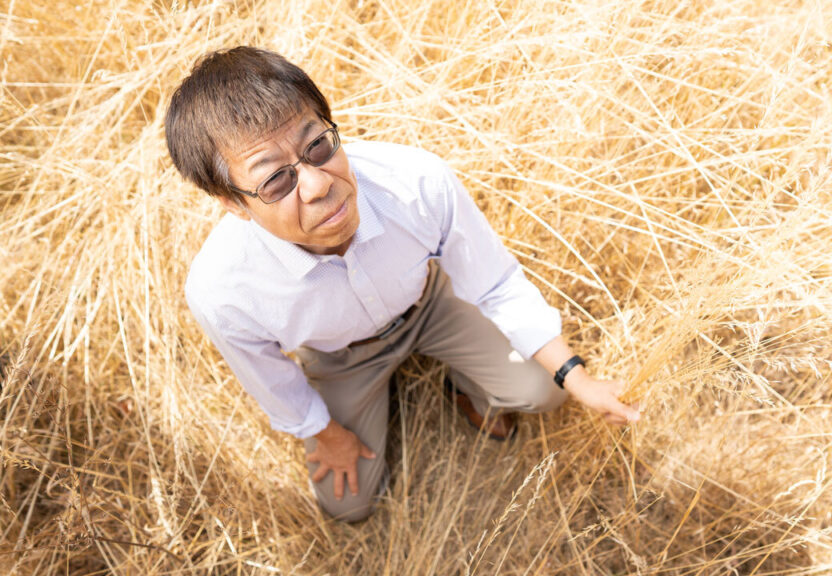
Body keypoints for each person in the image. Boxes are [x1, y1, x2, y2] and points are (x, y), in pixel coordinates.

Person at [165, 46, 640, 522]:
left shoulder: (416, 180)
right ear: (233, 203)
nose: (317, 186)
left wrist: (580, 379)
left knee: (546, 390)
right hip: (340, 357)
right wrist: (326, 434)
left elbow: (495, 283)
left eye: (319, 147)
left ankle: (465, 384)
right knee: (348, 506)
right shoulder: (222, 291)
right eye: (275, 181)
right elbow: (272, 379)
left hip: (431, 305)